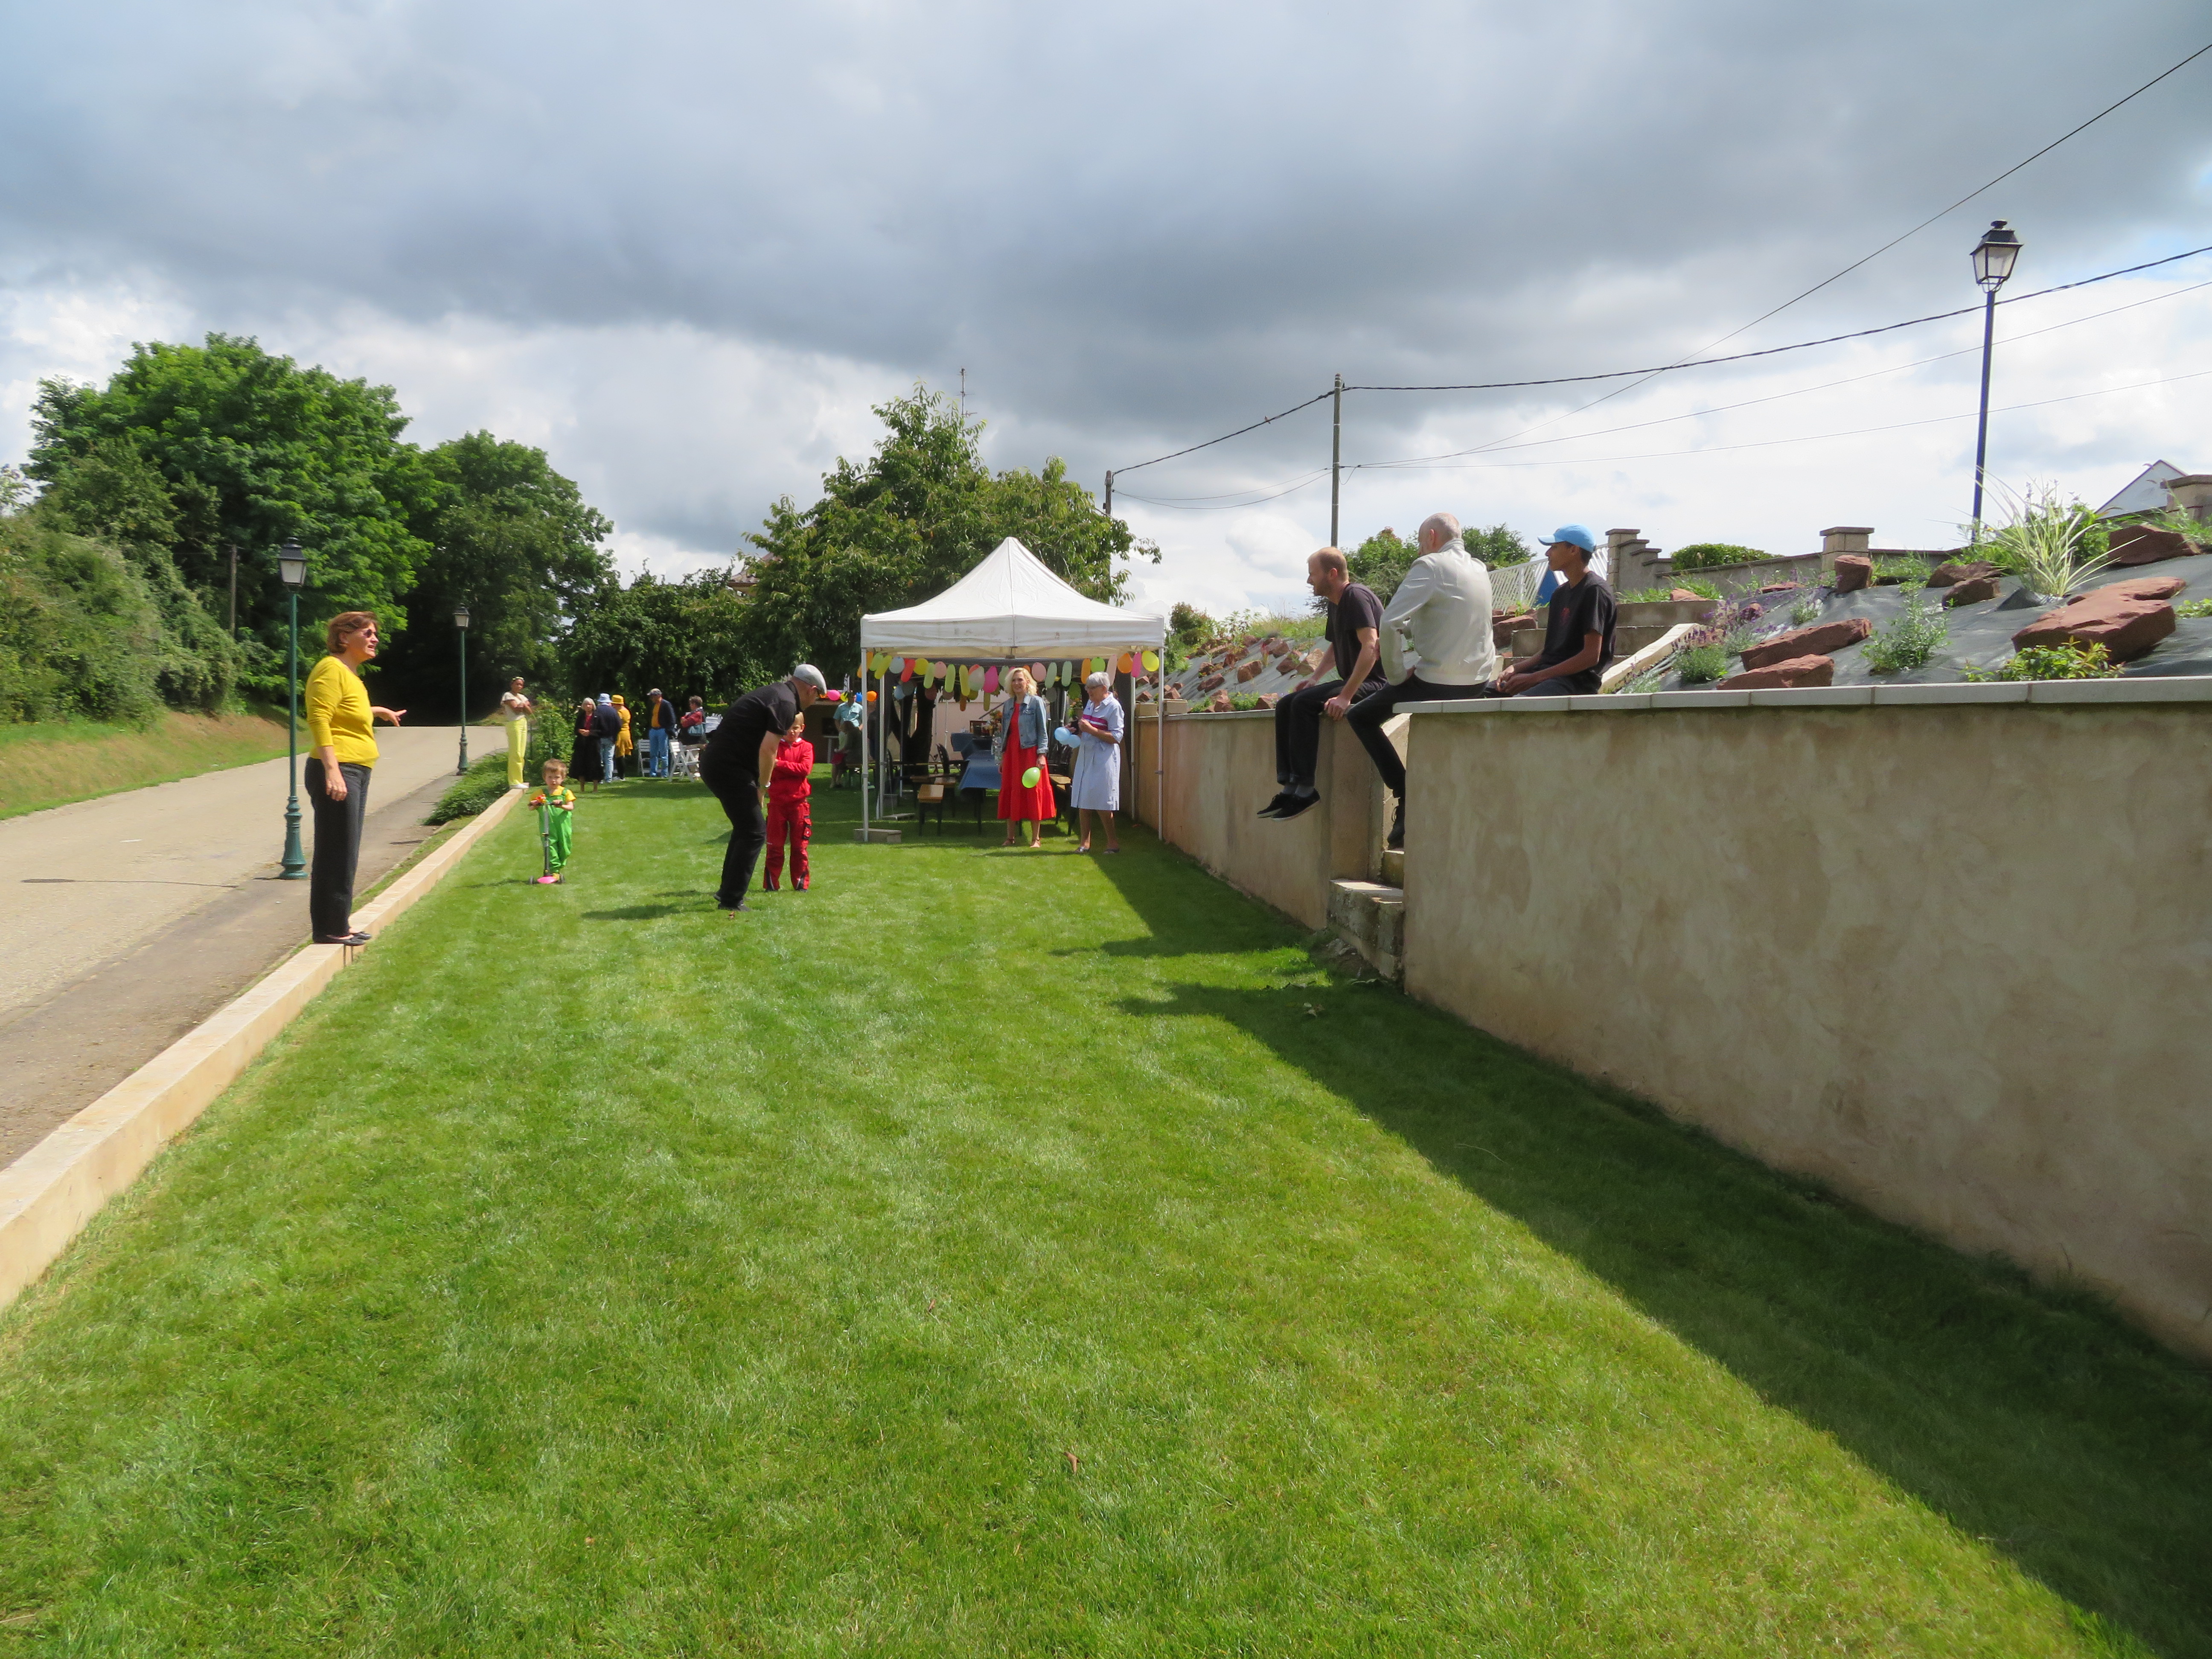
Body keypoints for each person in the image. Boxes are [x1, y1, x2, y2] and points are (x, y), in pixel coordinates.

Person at [1344, 512, 1498, 850]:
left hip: (1440, 683)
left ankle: (1405, 793)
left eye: (1418, 542)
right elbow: (1447, 618)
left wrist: (1398, 677)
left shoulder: (1430, 565)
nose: (1418, 549)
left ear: (1431, 536)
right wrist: (1411, 632)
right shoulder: (1479, 569)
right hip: (1478, 681)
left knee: (1360, 716)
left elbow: (1389, 624)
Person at [1260, 547, 1386, 821]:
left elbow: (1371, 646)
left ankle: (1306, 791)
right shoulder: (1336, 603)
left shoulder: (1355, 596)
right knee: (1286, 704)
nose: (1309, 581)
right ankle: (1289, 787)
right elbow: (1334, 647)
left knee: (1303, 705)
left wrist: (1346, 697)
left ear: (1332, 574)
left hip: (1375, 683)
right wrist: (1315, 678)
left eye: (1312, 575)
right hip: (1355, 681)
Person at [303, 611, 406, 946]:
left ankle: (338, 922)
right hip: (340, 769)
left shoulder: (350, 675)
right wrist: (332, 770)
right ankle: (330, 929)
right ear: (344, 637)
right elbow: (319, 718)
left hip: (356, 769)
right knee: (337, 850)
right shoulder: (330, 668)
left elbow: (346, 710)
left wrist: (378, 711)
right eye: (367, 633)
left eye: (375, 633)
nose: (375, 639)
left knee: (346, 849)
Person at [699, 665, 827, 911]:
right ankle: (731, 899)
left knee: (746, 829)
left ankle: (728, 892)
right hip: (729, 767)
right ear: (811, 690)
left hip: (720, 763)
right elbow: (769, 749)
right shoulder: (786, 703)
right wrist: (763, 787)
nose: (814, 702)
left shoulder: (776, 693)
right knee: (754, 832)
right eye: (817, 696)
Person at [1494, 525, 1618, 699]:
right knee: (1483, 695)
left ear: (1574, 550)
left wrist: (1534, 678)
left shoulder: (1595, 591)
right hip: (1546, 676)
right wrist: (1515, 669)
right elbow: (1550, 651)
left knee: (1517, 704)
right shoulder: (1560, 594)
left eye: (1554, 547)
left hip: (1575, 682)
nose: (1547, 553)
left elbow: (1591, 656)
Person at [992, 665, 1054, 849]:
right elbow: (1005, 733)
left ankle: (1036, 839)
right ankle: (1010, 838)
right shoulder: (1008, 705)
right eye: (1014, 680)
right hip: (1012, 753)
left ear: (1028, 682)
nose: (1017, 683)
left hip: (1030, 752)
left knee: (1033, 792)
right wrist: (1002, 757)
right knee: (1011, 791)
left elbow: (1043, 731)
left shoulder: (1036, 702)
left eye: (1020, 679)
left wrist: (1042, 754)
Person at [1069, 669, 1124, 853]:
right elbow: (1087, 726)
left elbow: (1116, 737)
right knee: (1083, 801)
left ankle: (1113, 843)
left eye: (1092, 688)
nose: (1089, 691)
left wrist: (1091, 730)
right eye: (1087, 687)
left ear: (1104, 688)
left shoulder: (1114, 707)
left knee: (1103, 803)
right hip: (1086, 756)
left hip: (1104, 759)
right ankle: (1084, 843)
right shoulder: (1091, 704)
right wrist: (1076, 729)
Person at [763, 712, 815, 891]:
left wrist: (780, 764)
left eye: (795, 728)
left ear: (802, 728)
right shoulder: (774, 746)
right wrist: (778, 766)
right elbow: (768, 767)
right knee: (774, 847)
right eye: (788, 728)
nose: (791, 732)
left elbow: (805, 769)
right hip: (777, 803)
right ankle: (771, 885)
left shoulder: (806, 747)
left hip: (799, 804)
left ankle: (801, 884)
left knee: (800, 848)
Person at [531, 758, 577, 884]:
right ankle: (553, 871)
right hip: (548, 826)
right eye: (550, 777)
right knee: (550, 847)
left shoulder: (566, 792)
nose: (553, 780)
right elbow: (531, 807)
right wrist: (535, 804)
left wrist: (561, 805)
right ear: (545, 778)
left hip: (563, 826)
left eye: (557, 777)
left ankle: (558, 867)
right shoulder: (541, 793)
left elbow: (571, 807)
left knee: (565, 848)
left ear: (563, 778)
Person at [499, 676, 534, 789]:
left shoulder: (522, 697)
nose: (519, 686)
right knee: (516, 753)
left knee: (521, 754)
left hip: (523, 722)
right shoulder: (508, 695)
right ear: (512, 685)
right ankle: (514, 781)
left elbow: (530, 712)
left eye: (521, 685)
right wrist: (524, 705)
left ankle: (519, 780)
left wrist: (523, 705)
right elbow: (516, 709)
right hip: (514, 724)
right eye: (517, 684)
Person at [640, 687, 680, 778]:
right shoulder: (653, 705)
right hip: (653, 730)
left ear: (659, 696)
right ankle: (653, 773)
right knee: (653, 753)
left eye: (653, 696)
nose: (652, 698)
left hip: (662, 730)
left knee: (663, 753)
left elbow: (672, 718)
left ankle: (664, 773)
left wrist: (668, 730)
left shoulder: (666, 704)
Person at [570, 699, 607, 789]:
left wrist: (591, 732)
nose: (588, 706)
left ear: (593, 706)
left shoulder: (598, 716)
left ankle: (595, 788)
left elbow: (603, 731)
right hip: (582, 744)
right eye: (586, 704)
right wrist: (580, 731)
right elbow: (576, 729)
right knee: (581, 765)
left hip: (594, 744)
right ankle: (582, 788)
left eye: (590, 704)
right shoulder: (581, 716)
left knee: (594, 765)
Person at [590, 694, 622, 788]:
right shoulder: (613, 711)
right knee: (609, 759)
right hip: (610, 738)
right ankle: (609, 778)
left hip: (598, 738)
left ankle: (599, 778)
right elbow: (619, 725)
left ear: (600, 701)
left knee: (599, 759)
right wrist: (614, 736)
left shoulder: (596, 710)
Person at [612, 693, 635, 779]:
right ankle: (621, 775)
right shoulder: (627, 711)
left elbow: (617, 723)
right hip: (626, 733)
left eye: (614, 704)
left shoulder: (620, 712)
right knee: (621, 755)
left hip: (621, 734)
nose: (613, 706)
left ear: (618, 704)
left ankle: (621, 776)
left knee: (620, 755)